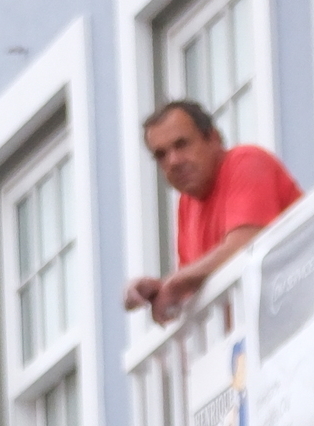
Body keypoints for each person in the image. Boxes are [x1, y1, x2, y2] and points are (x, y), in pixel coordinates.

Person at [122, 97, 301, 325]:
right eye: (161, 155)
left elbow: (244, 246)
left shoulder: (245, 161)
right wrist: (157, 291)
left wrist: (175, 283)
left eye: (182, 144)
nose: (173, 161)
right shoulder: (187, 206)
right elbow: (193, 291)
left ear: (213, 138)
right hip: (274, 342)